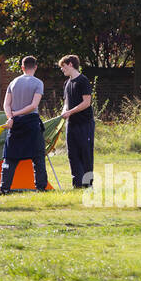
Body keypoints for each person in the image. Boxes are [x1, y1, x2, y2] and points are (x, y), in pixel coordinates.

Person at [0, 56, 47, 194]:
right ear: (35, 67)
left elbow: (6, 104)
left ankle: (5, 189)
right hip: (31, 123)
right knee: (38, 157)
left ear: (22, 67)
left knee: (10, 156)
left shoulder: (13, 82)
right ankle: (40, 188)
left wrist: (11, 117)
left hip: (15, 124)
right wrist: (15, 114)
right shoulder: (38, 83)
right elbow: (33, 106)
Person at [59, 55, 95, 189]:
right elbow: (66, 103)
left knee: (85, 153)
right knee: (72, 154)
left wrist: (70, 112)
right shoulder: (67, 83)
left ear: (70, 64)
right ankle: (77, 184)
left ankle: (88, 184)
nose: (62, 70)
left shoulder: (83, 81)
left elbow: (86, 102)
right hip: (71, 124)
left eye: (63, 67)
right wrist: (64, 112)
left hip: (84, 124)